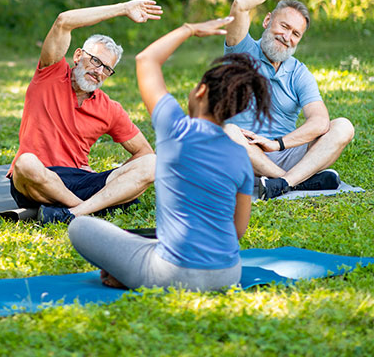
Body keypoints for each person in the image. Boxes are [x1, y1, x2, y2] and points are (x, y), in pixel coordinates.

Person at [69, 17, 270, 291]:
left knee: (80, 228)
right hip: (227, 274)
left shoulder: (175, 129)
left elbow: (146, 60)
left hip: (170, 274)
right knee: (143, 242)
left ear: (200, 91)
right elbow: (237, 231)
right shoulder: (240, 156)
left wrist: (190, 29)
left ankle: (126, 274)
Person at [8, 0, 162, 224]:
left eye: (107, 69)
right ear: (78, 55)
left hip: (80, 181)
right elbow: (63, 21)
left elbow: (144, 153)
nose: (99, 71)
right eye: (96, 61)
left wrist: (118, 176)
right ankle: (89, 209)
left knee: (153, 163)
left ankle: (72, 213)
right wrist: (123, 9)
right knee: (25, 163)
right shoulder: (50, 73)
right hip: (37, 180)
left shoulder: (109, 108)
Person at [223, 0, 356, 199]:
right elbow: (241, 3)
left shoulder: (298, 72)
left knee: (343, 126)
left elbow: (320, 121)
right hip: (243, 154)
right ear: (267, 21)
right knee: (228, 132)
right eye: (284, 26)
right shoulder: (241, 51)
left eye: (295, 33)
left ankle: (281, 183)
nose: (287, 37)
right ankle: (294, 182)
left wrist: (277, 144)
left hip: (284, 153)